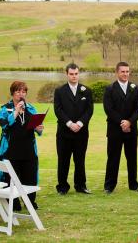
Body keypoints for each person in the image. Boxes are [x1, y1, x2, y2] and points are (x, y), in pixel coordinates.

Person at [0, 81, 43, 211]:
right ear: (12, 93)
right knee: (11, 177)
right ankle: (13, 201)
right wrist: (15, 112)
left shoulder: (31, 109)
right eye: (18, 91)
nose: (21, 94)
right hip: (11, 150)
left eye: (23, 92)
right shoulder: (5, 109)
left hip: (28, 150)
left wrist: (39, 129)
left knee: (30, 176)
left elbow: (38, 131)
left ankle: (30, 201)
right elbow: (4, 125)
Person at [103, 62, 138, 194]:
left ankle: (133, 184)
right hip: (115, 130)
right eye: (123, 71)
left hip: (131, 130)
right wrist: (122, 122)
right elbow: (109, 109)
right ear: (117, 72)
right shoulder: (109, 89)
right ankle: (109, 186)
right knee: (113, 158)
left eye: (127, 71)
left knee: (132, 158)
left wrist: (129, 122)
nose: (125, 74)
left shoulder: (135, 88)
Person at [54, 63, 94, 195]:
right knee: (63, 160)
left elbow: (89, 110)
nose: (74, 76)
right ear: (67, 74)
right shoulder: (60, 91)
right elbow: (58, 110)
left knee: (80, 160)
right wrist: (70, 124)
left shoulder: (86, 91)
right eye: (71, 74)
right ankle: (62, 187)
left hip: (81, 133)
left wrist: (80, 124)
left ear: (79, 74)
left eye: (76, 73)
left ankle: (80, 185)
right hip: (64, 133)